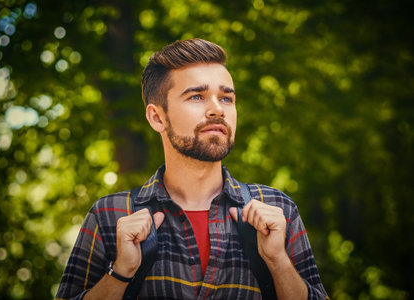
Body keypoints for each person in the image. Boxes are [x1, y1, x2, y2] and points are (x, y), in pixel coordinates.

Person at [55, 38, 329, 300]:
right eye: (197, 97)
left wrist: (278, 261)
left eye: (226, 99)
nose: (217, 110)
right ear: (157, 117)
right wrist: (120, 273)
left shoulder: (278, 210)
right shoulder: (109, 216)